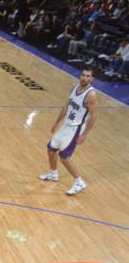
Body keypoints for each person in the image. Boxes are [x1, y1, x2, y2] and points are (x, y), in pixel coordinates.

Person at [39, 67, 97, 196]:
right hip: (66, 125)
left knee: (64, 158)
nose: (84, 77)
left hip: (75, 128)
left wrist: (84, 134)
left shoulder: (91, 94)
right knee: (51, 149)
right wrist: (56, 122)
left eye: (88, 76)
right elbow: (66, 106)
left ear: (92, 79)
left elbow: (93, 116)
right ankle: (53, 174)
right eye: (83, 74)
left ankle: (79, 181)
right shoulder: (74, 87)